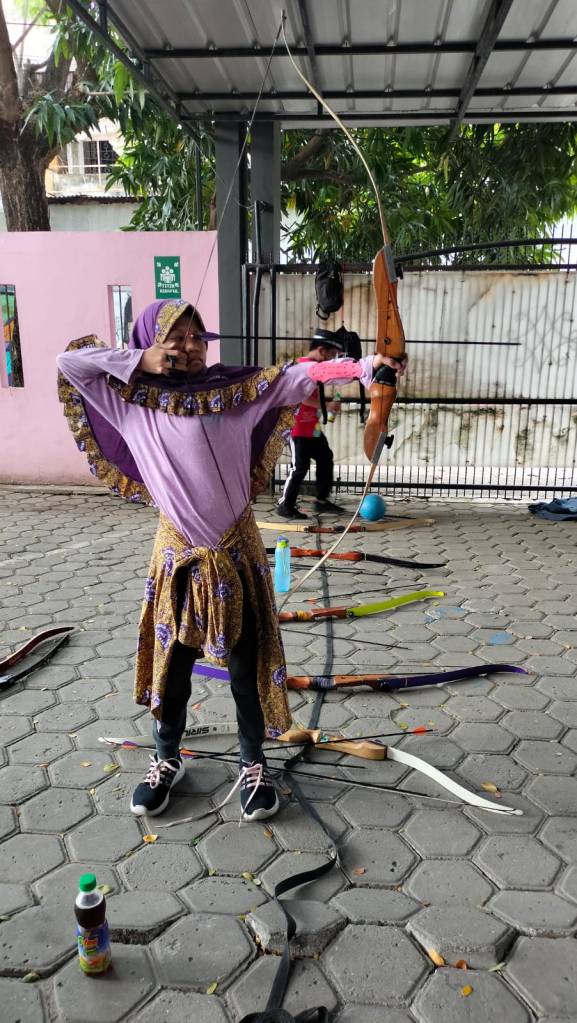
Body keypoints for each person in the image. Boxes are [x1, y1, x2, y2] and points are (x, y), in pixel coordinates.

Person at [57, 300, 397, 822]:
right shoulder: (130, 400)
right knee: (174, 667)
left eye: (197, 336)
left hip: (236, 550)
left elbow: (299, 374)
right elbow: (70, 363)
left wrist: (365, 366)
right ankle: (166, 758)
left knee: (245, 666)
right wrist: (139, 361)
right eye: (176, 336)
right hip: (179, 557)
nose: (190, 346)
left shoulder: (234, 391)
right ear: (151, 342)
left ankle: (252, 763)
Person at [277, 328, 347, 520]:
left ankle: (321, 500)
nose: (331, 360)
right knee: (299, 466)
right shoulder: (303, 367)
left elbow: (313, 397)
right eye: (331, 355)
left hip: (312, 428)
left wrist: (327, 406)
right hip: (297, 428)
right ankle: (285, 505)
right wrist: (327, 406)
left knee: (325, 457)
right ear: (321, 350)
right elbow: (301, 396)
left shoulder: (315, 369)